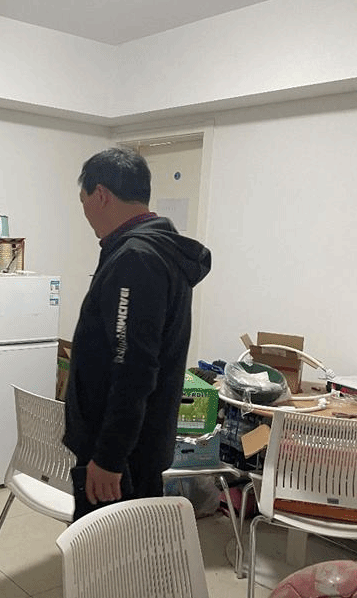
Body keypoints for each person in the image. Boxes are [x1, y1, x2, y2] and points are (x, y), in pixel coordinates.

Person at [63, 147, 211, 521]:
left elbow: (134, 368)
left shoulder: (136, 258)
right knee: (125, 546)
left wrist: (109, 457)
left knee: (109, 549)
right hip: (134, 444)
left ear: (100, 195)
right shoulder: (154, 247)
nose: (84, 213)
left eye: (83, 201)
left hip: (121, 455)